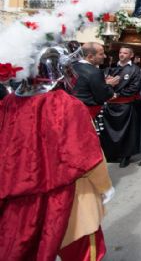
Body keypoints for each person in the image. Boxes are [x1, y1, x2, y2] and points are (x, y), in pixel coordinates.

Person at [0, 46, 115, 261]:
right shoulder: (67, 104)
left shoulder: (7, 103)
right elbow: (86, 155)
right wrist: (105, 186)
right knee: (83, 250)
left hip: (20, 198)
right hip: (69, 193)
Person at [101, 46, 141, 168]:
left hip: (125, 105)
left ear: (131, 55)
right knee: (109, 131)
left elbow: (134, 87)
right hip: (110, 105)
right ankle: (112, 154)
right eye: (120, 52)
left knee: (126, 132)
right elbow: (102, 83)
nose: (122, 55)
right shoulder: (110, 67)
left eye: (125, 53)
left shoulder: (135, 69)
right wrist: (107, 88)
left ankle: (125, 156)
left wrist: (118, 94)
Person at [71, 42, 120, 120]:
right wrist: (110, 85)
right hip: (86, 113)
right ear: (90, 56)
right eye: (101, 54)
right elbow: (102, 96)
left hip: (70, 111)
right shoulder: (95, 72)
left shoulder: (72, 67)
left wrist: (103, 83)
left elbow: (85, 86)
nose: (105, 56)